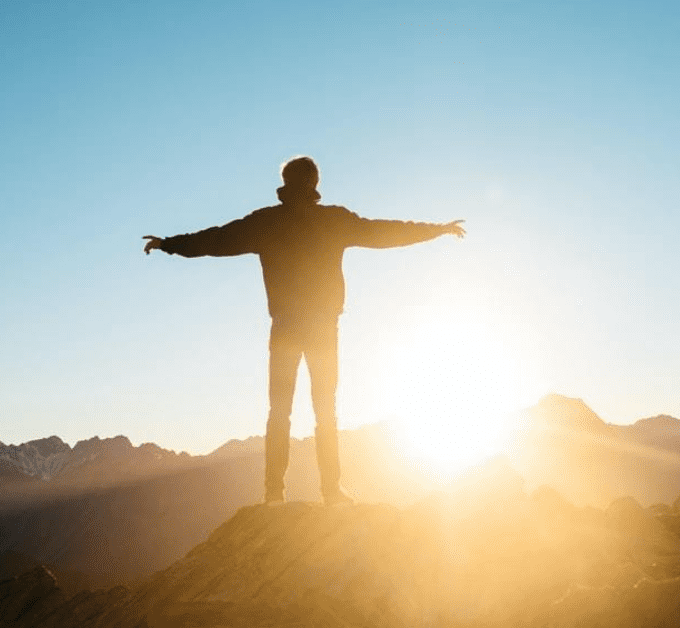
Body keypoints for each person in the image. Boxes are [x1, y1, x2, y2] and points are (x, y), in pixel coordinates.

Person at [143, 156, 465, 506]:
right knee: (325, 410)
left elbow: (216, 240)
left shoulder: (266, 222)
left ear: (285, 181)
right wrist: (436, 229)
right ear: (314, 183)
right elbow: (386, 232)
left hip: (284, 327)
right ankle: (331, 491)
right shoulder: (333, 220)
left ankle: (273, 494)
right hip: (324, 328)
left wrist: (168, 244)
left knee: (279, 411)